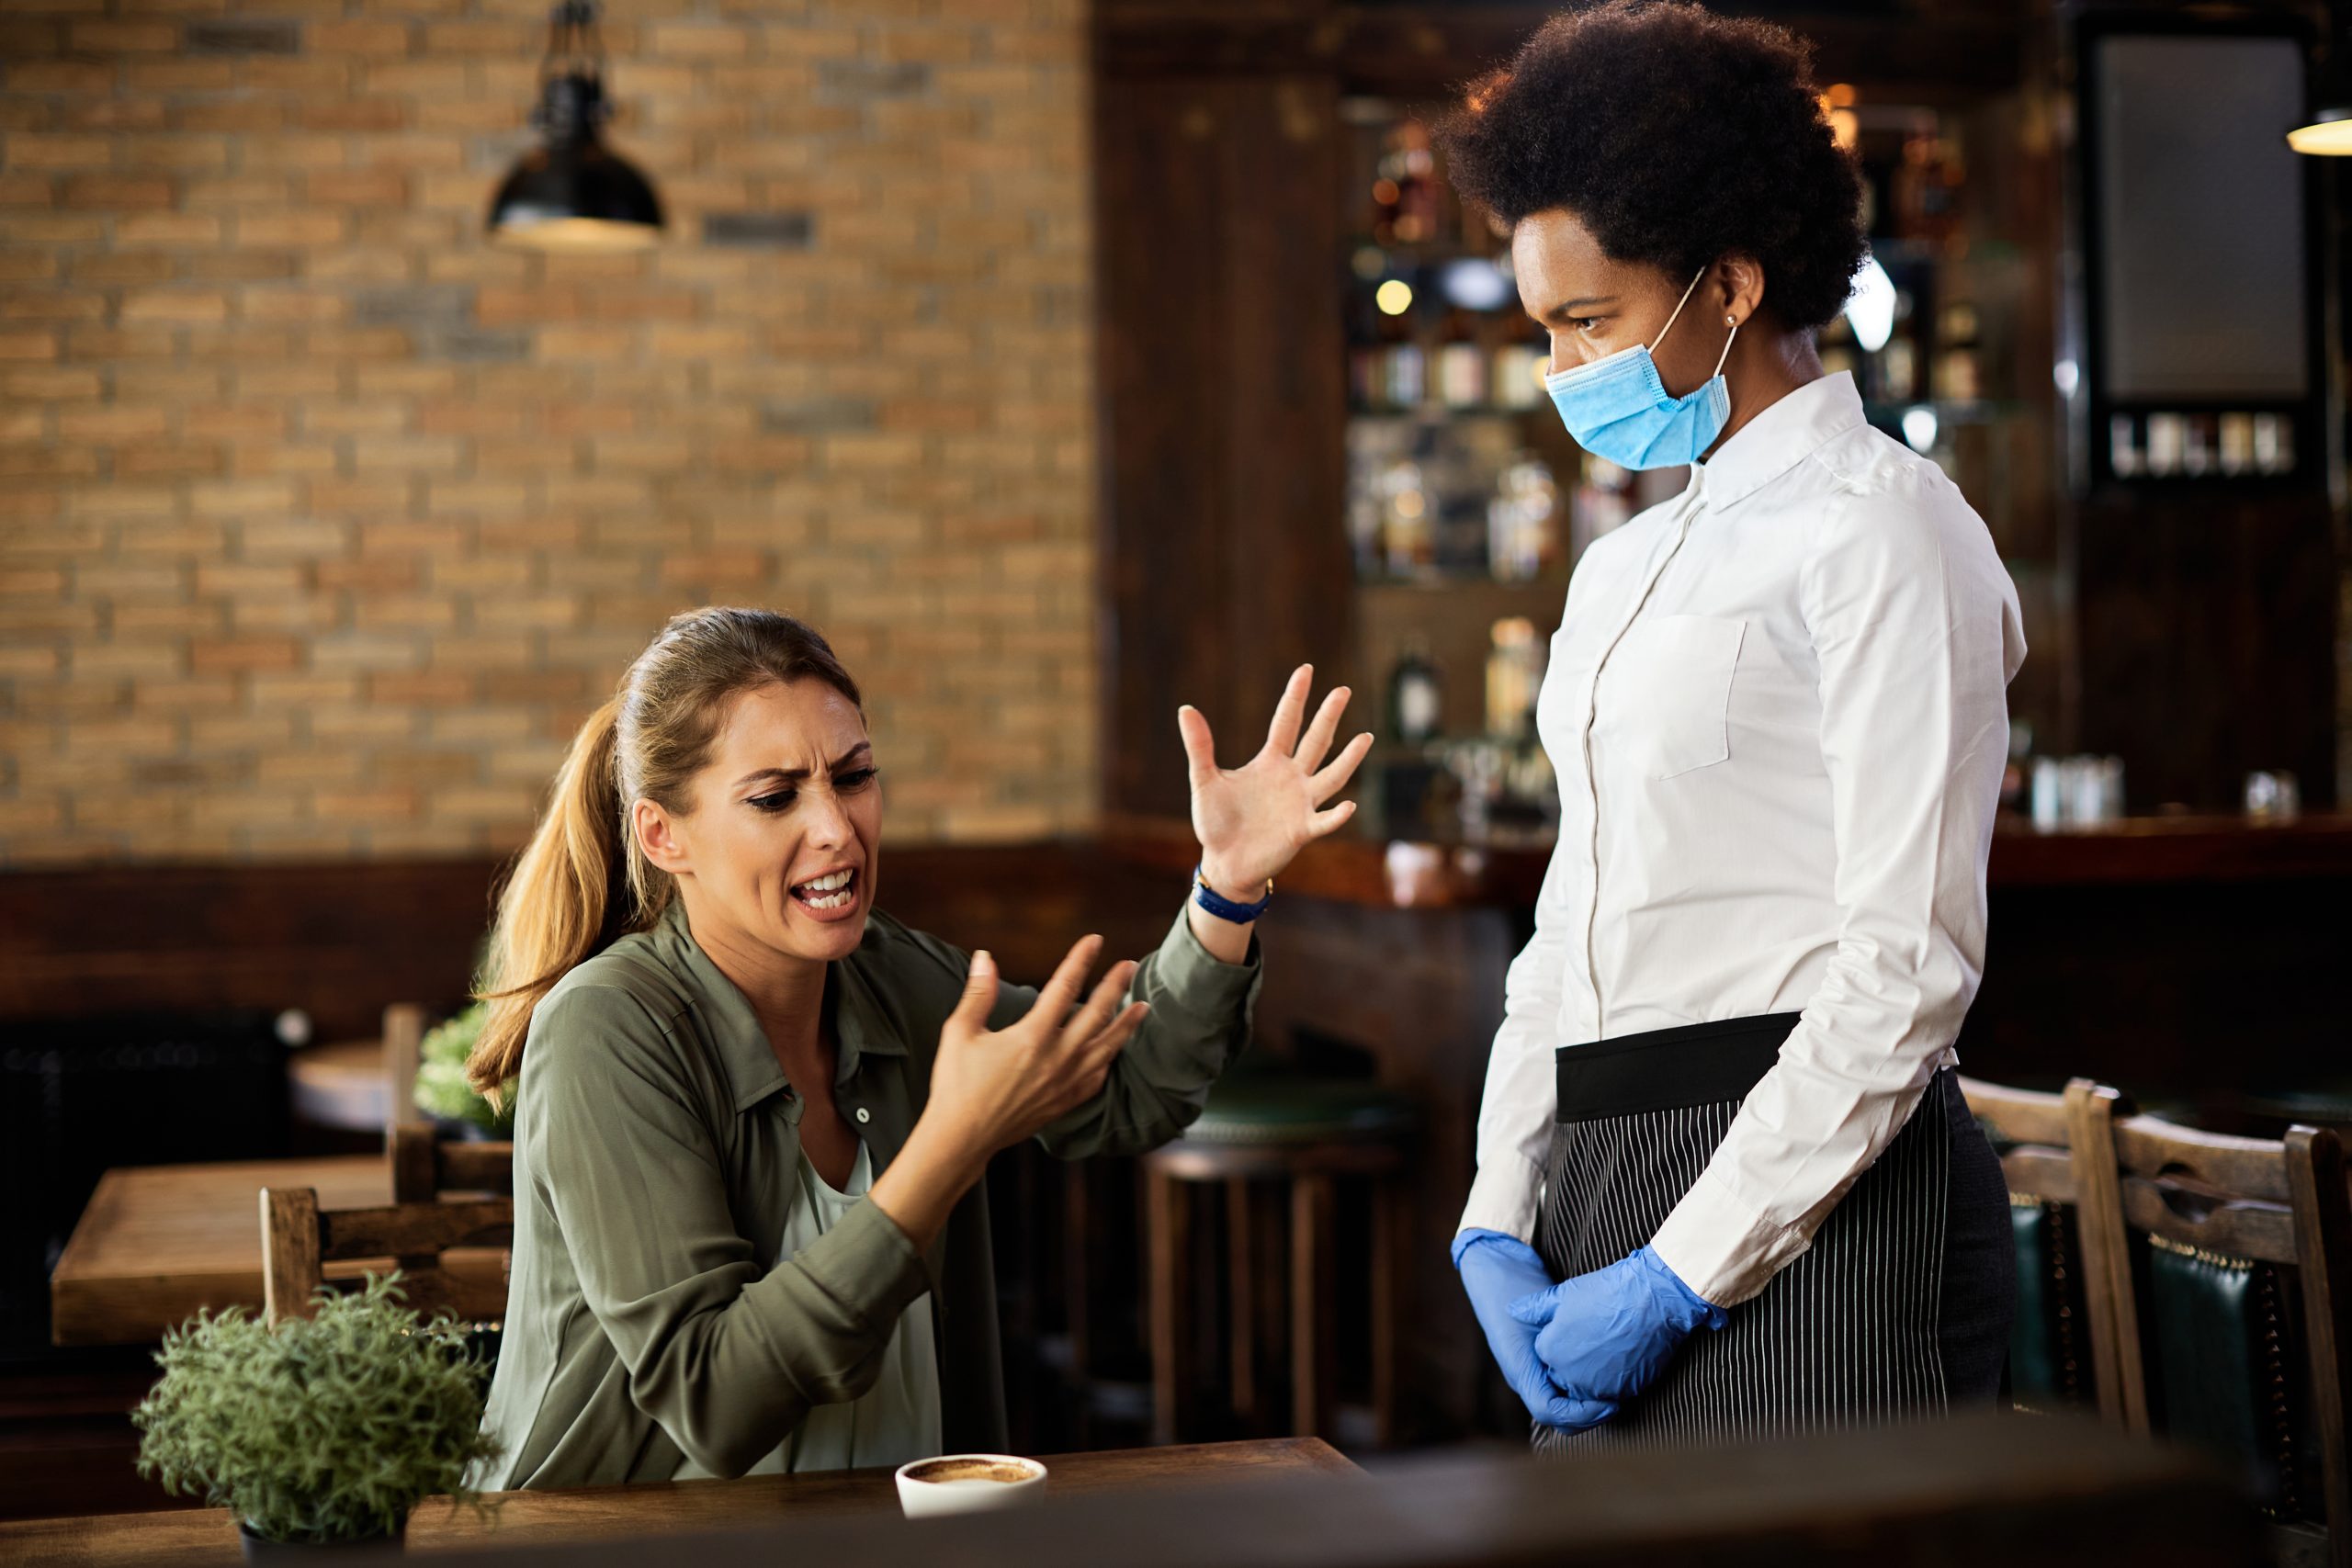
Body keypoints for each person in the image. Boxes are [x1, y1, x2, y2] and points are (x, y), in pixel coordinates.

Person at [1439, 2, 2027, 1450]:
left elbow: (1906, 969)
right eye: (1546, 331)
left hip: (1824, 1191)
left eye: (1594, 320)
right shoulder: (1624, 563)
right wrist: (1496, 1214)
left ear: (1734, 283)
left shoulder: (1889, 532)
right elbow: (1568, 926)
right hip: (1600, 1172)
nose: (1566, 369)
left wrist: (1683, 1274)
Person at [465, 606, 1371, 1486]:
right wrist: (953, 1141)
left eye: (853, 777)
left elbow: (1132, 1082)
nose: (835, 827)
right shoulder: (609, 1026)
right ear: (664, 835)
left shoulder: (890, 977)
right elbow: (712, 1396)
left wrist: (1227, 886)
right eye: (775, 797)